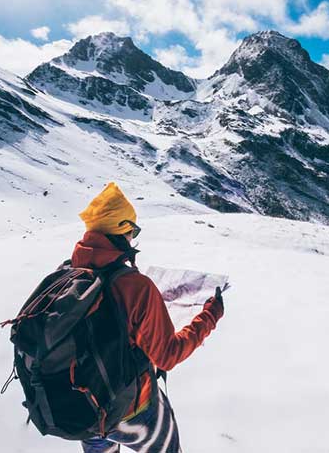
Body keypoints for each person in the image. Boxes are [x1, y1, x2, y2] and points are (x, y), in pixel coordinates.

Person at [72, 182, 225, 453]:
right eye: (133, 229)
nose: (133, 237)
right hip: (130, 410)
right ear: (120, 230)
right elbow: (167, 355)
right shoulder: (135, 287)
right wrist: (210, 316)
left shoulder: (69, 274)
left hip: (84, 408)